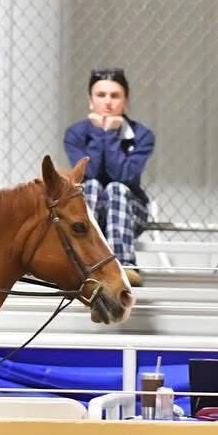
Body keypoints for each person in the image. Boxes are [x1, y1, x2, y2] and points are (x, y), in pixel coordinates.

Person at [63, 67, 153, 287]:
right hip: (88, 209)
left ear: (126, 100)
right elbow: (88, 172)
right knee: (91, 185)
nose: (108, 102)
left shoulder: (142, 135)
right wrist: (99, 134)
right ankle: (83, 263)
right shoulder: (75, 134)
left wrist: (111, 135)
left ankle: (124, 266)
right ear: (90, 100)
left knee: (116, 188)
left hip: (130, 214)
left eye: (115, 95)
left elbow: (124, 175)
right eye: (101, 95)